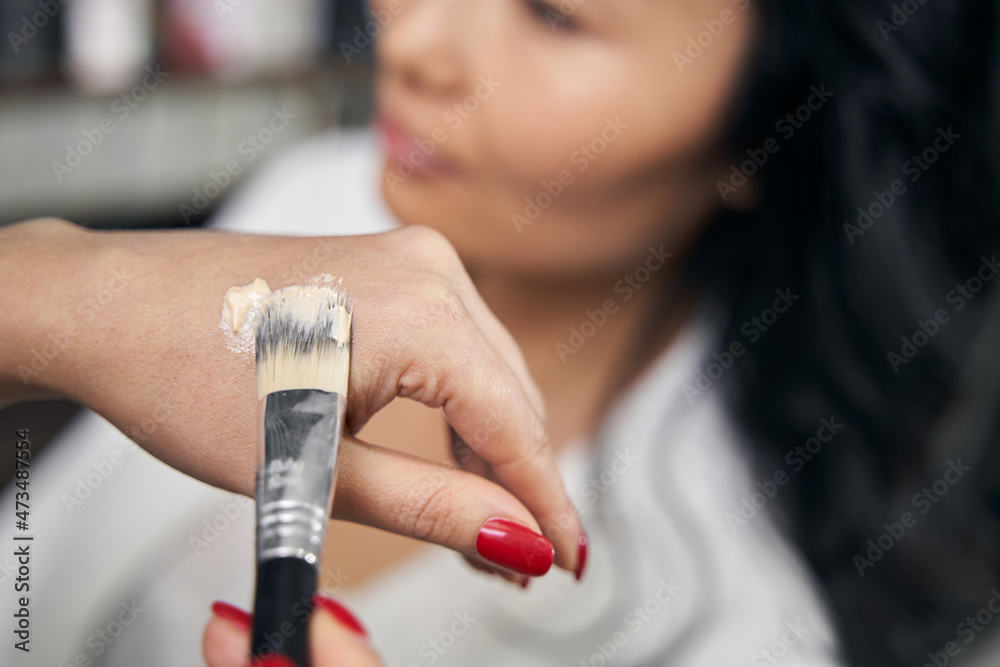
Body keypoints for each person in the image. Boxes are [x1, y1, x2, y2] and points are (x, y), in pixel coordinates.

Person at [2, 0, 998, 665]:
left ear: (762, 131)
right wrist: (60, 290)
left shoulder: (741, 632)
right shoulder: (320, 194)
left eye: (556, 13)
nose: (414, 39)